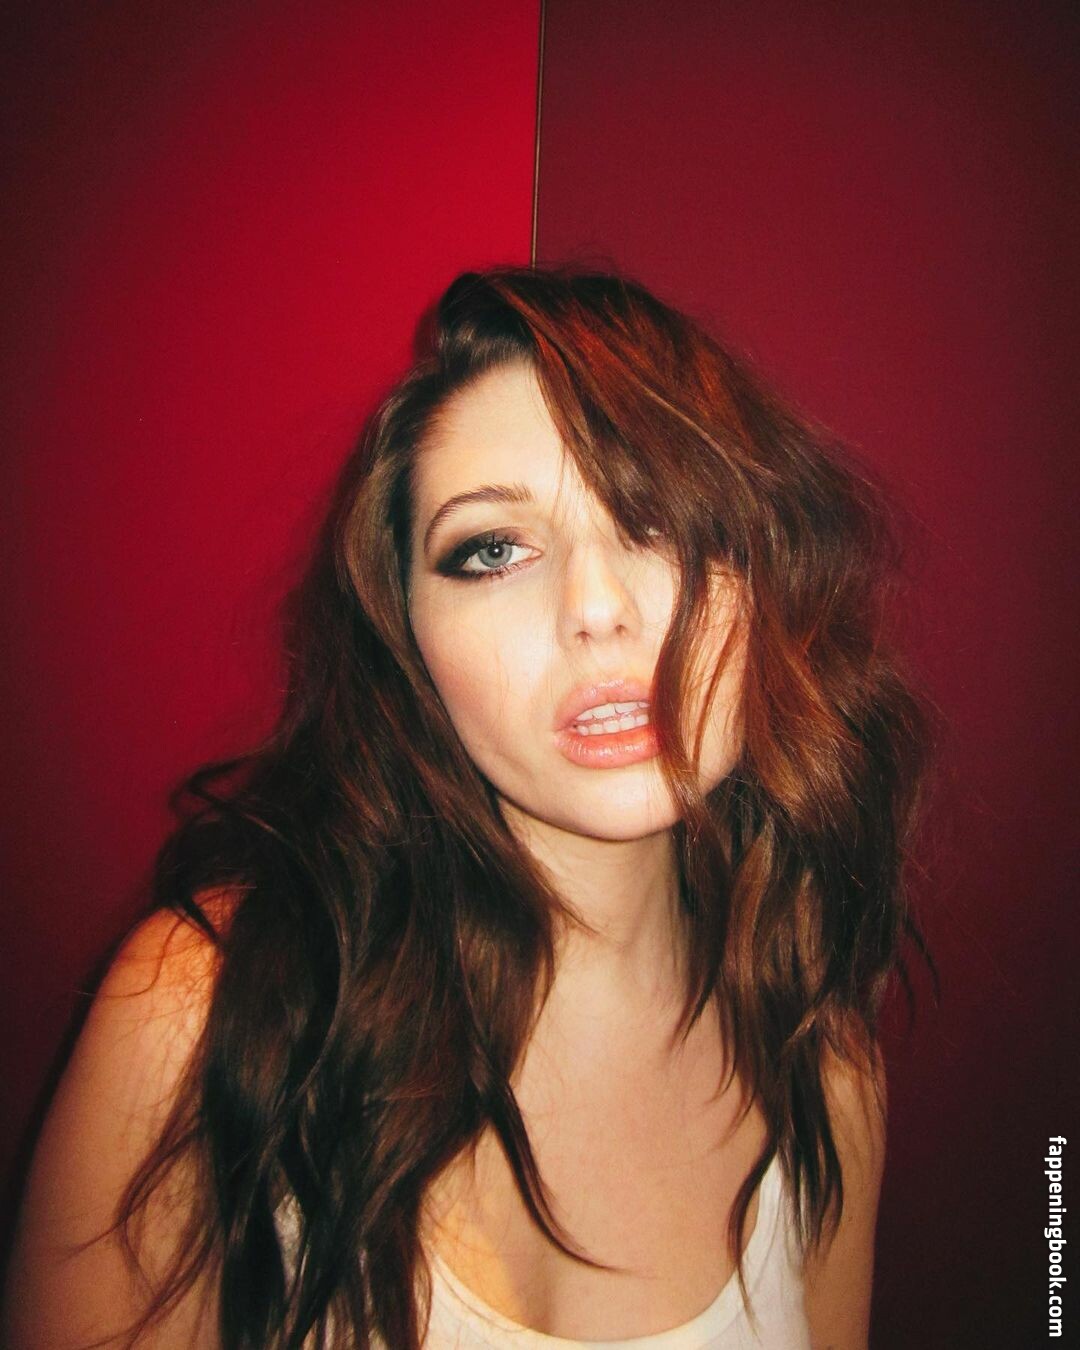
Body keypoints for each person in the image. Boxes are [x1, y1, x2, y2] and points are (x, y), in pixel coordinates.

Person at [4, 267, 930, 1349]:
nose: (596, 609)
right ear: (410, 640)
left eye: (660, 521)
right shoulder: (201, 1014)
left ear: (769, 581)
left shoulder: (823, 1063)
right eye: (493, 551)